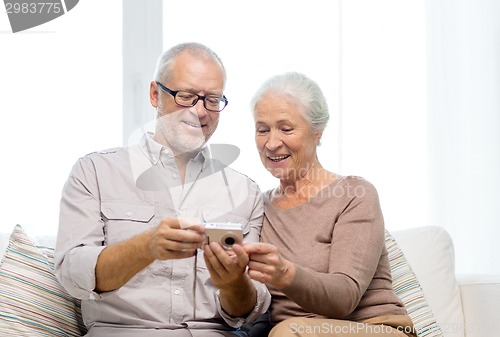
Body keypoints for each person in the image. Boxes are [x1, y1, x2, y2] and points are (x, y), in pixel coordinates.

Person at [54, 42, 270, 337]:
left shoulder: (246, 192)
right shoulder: (94, 172)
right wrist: (145, 247)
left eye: (212, 100)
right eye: (186, 96)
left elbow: (246, 311)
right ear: (156, 94)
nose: (199, 111)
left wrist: (234, 283)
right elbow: (72, 274)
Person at [243, 72, 417, 337]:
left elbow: (344, 297)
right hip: (291, 332)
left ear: (317, 132)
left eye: (286, 128)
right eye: (262, 129)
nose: (272, 143)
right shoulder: (258, 208)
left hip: (373, 328)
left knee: (289, 333)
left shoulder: (355, 194)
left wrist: (285, 273)